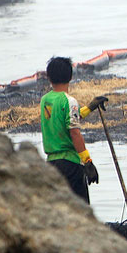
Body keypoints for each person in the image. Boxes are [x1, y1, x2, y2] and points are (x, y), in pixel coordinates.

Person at [40, 56, 107, 203]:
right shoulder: (69, 101)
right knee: (80, 208)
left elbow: (65, 119)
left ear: (49, 77)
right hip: (69, 164)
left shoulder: (45, 100)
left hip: (51, 164)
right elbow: (74, 132)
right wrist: (87, 161)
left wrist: (90, 107)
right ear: (70, 77)